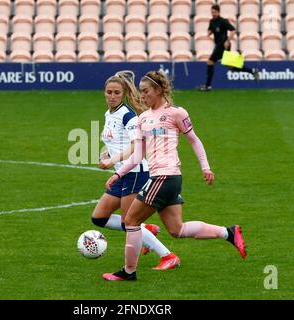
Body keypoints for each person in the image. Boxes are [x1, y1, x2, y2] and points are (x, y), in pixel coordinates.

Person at [103, 70, 247, 281]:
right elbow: (138, 155)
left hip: (165, 177)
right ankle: (229, 233)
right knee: (176, 229)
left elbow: (194, 140)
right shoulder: (143, 118)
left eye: (146, 92)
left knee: (131, 221)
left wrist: (205, 167)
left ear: (159, 90)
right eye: (141, 92)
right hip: (164, 179)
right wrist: (118, 174)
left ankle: (128, 271)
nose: (142, 96)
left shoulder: (176, 113)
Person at [91, 70, 180, 270]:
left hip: (135, 173)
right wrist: (106, 152)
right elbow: (116, 140)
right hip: (122, 175)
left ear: (123, 94)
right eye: (109, 92)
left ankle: (168, 256)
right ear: (104, 93)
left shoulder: (128, 116)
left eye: (116, 93)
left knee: (128, 222)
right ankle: (145, 229)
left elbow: (135, 146)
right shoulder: (109, 114)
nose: (112, 96)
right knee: (98, 218)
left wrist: (112, 160)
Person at [198, 4, 260, 91]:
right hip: (219, 45)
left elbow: (233, 30)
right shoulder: (212, 21)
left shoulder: (223, 21)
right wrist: (209, 32)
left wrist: (228, 41)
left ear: (219, 12)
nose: (213, 14)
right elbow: (211, 29)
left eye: (215, 12)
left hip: (223, 45)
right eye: (212, 12)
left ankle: (208, 86)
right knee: (230, 66)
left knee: (210, 62)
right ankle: (253, 71)